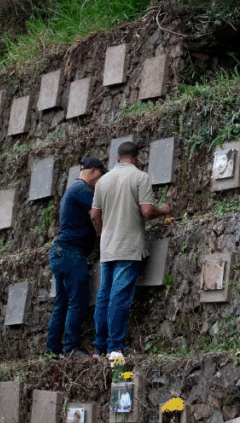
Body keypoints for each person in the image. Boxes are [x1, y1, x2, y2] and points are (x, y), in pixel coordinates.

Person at [90, 142, 170, 356]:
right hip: (128, 246)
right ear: (137, 157)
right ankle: (115, 347)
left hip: (107, 247)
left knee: (104, 295)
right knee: (120, 296)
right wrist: (161, 211)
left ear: (117, 158)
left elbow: (94, 215)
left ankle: (99, 347)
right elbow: (146, 211)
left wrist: (100, 232)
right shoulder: (140, 177)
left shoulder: (102, 181)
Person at [47, 157, 105, 358]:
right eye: (100, 177)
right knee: (77, 299)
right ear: (95, 172)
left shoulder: (72, 189)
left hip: (61, 252)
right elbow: (95, 214)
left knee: (62, 302)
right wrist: (101, 232)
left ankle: (53, 348)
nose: (100, 183)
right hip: (71, 252)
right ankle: (71, 347)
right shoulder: (83, 190)